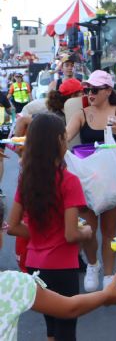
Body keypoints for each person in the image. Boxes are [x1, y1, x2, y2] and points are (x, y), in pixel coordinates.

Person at [6, 113, 93, 340]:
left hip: (34, 265)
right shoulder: (69, 180)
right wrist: (87, 231)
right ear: (58, 142)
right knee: (66, 328)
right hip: (62, 266)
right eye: (65, 138)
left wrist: (37, 235)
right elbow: (71, 233)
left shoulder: (26, 179)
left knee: (51, 328)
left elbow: (13, 226)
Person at [0, 200, 116, 341]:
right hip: (63, 265)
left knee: (52, 327)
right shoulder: (14, 284)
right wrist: (106, 295)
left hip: (36, 262)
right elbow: (70, 308)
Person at [65, 70, 116, 292]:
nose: (89, 93)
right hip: (87, 179)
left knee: (109, 230)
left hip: (111, 178)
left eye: (94, 90)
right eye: (87, 90)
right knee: (87, 228)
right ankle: (93, 265)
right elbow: (65, 136)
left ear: (107, 91)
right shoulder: (81, 114)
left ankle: (108, 275)